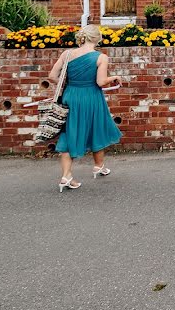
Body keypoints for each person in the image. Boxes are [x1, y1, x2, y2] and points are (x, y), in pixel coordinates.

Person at [49, 25, 122, 192]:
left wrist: (69, 85)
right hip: (91, 98)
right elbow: (101, 82)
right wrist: (115, 77)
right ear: (97, 39)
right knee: (96, 128)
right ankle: (98, 166)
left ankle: (66, 176)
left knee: (69, 132)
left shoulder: (66, 54)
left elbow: (52, 76)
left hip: (71, 96)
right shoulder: (100, 57)